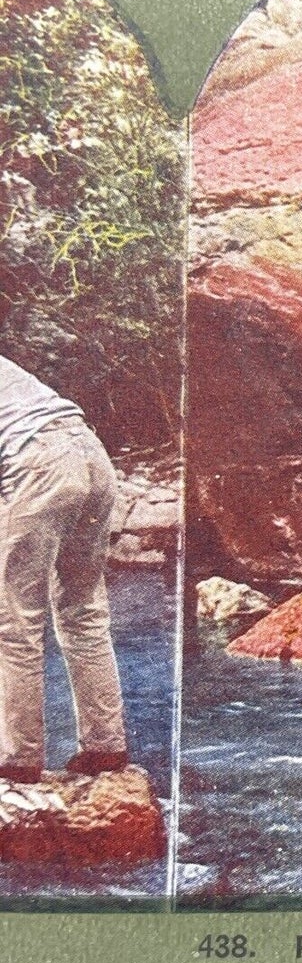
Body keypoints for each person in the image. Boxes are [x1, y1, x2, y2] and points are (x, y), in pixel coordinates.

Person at [0, 297, 129, 783]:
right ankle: (105, 748)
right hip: (91, 456)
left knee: (14, 618)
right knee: (82, 609)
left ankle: (17, 760)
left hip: (41, 463)